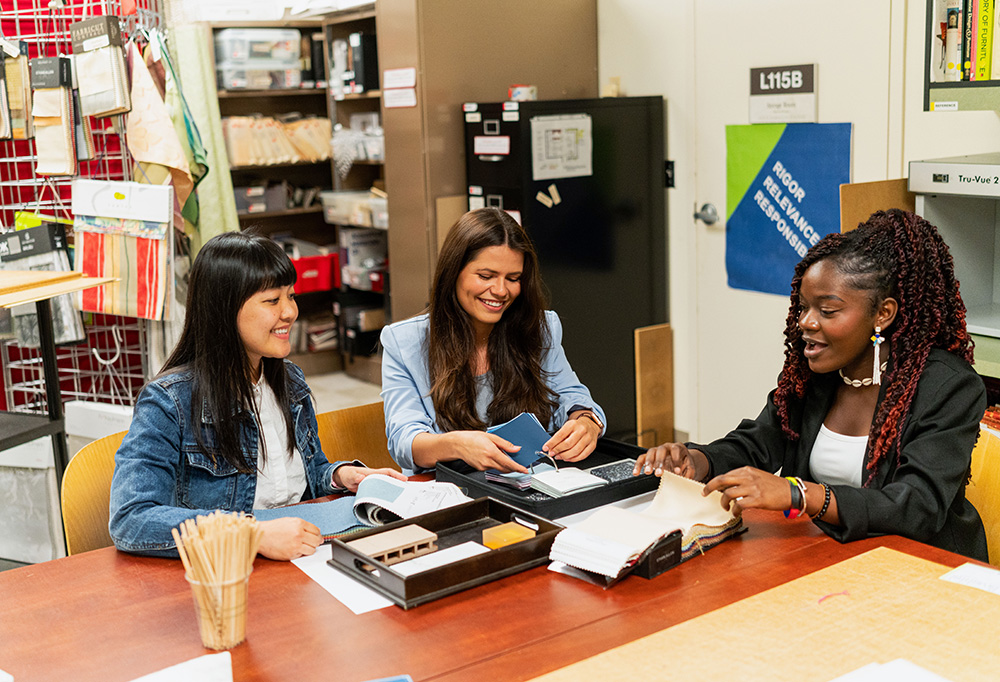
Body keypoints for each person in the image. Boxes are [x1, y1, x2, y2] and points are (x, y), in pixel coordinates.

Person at [636, 209, 989, 561]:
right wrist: (698, 461)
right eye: (804, 307)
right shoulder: (816, 373)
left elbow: (917, 506)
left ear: (883, 314)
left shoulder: (948, 387)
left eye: (828, 311)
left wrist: (799, 494)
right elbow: (759, 442)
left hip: (921, 568)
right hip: (824, 556)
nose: (805, 322)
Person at [110, 232, 405, 561]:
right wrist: (251, 534)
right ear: (224, 310)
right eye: (272, 301)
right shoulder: (168, 402)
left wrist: (338, 476)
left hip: (303, 555)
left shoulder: (289, 379)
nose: (290, 312)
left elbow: (304, 478)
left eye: (290, 296)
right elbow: (131, 520)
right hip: (227, 574)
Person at [380, 207, 606, 476]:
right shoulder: (403, 342)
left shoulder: (540, 328)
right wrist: (458, 444)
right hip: (448, 492)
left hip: (528, 484)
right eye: (486, 276)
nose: (500, 291)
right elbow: (404, 441)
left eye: (513, 279)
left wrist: (586, 421)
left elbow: (572, 395)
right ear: (453, 272)